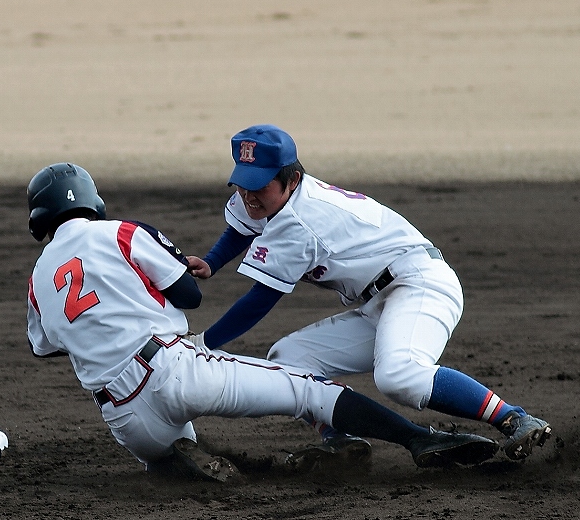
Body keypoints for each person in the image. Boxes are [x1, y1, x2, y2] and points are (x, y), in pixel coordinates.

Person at [25, 161, 501, 481]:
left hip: (123, 415)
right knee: (308, 389)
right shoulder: (122, 232)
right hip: (174, 369)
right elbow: (188, 295)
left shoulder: (37, 278)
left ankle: (180, 462)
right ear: (91, 200)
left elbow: (45, 346)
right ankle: (420, 439)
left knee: (169, 451)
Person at [185, 124, 552, 462]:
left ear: (293, 179)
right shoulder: (267, 199)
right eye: (242, 184)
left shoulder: (300, 221)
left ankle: (514, 418)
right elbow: (242, 225)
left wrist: (205, 344)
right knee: (289, 359)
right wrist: (213, 262)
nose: (249, 195)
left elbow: (259, 300)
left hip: (420, 284)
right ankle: (340, 440)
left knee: (400, 376)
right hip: (381, 299)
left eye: (260, 186)